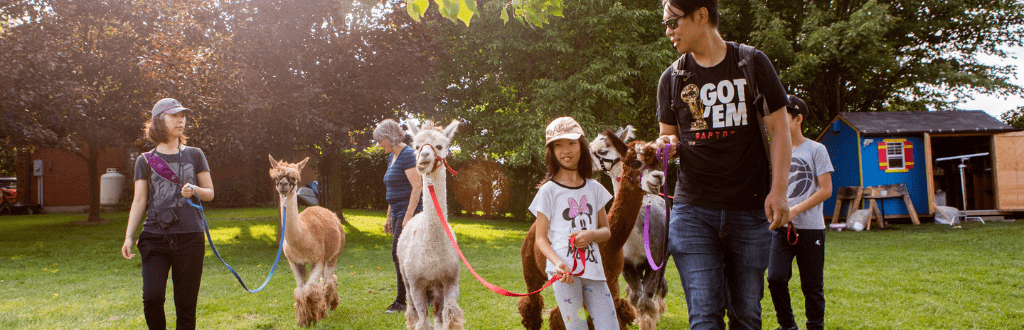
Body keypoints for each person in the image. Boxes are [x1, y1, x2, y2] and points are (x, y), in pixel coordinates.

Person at [653, 0, 793, 328]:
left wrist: (779, 190)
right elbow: (668, 136)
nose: (668, 32)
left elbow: (780, 129)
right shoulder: (671, 79)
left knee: (746, 315)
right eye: (665, 24)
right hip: (692, 212)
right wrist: (665, 146)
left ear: (701, 14)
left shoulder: (752, 63)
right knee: (704, 315)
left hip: (749, 210)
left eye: (673, 22)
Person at [121, 98, 214, 330]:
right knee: (152, 298)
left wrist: (195, 189)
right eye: (173, 115)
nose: (180, 120)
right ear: (158, 121)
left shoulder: (195, 154)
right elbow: (140, 200)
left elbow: (210, 193)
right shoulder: (145, 160)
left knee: (185, 306)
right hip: (154, 238)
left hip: (190, 238)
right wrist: (129, 236)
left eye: (182, 115)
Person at [528, 117, 618, 330]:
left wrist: (591, 235)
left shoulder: (594, 188)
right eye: (558, 145)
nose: (565, 150)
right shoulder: (548, 191)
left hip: (595, 272)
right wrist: (557, 263)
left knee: (610, 326)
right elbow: (540, 238)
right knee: (576, 326)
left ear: (582, 146)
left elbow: (606, 231)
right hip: (564, 275)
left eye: (571, 143)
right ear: (551, 151)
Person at [767, 95, 833, 330]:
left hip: (811, 229)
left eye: (784, 115)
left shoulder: (816, 149)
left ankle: (815, 326)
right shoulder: (774, 150)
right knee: (775, 279)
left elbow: (826, 190)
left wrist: (794, 210)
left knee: (812, 285)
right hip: (780, 229)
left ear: (798, 119)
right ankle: (788, 326)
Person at [373, 119, 422, 314]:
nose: (379, 144)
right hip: (397, 211)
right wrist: (388, 217)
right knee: (402, 256)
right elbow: (392, 188)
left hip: (408, 211)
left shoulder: (408, 154)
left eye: (381, 140)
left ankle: (402, 301)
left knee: (399, 254)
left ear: (390, 137)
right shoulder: (391, 157)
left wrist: (408, 216)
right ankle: (421, 296)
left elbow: (417, 186)